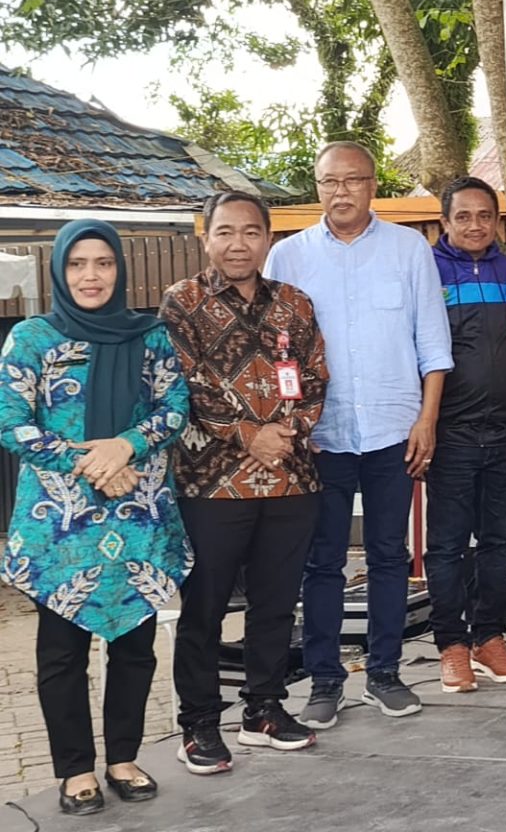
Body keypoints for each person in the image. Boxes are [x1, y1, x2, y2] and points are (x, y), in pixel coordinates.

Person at [0, 220, 192, 816]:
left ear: (119, 269)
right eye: (78, 263)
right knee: (62, 652)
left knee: (135, 645)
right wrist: (95, 464)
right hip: (60, 524)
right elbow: (11, 423)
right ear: (60, 270)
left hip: (136, 517)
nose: (91, 275)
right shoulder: (31, 339)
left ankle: (123, 759)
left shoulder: (150, 336)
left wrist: (126, 445)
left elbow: (175, 407)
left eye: (103, 263)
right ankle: (75, 769)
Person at [265, 141, 454, 727]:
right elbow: (272, 353)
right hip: (320, 435)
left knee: (389, 555)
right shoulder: (287, 257)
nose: (340, 191)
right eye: (329, 181)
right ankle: (325, 681)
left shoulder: (408, 250)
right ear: (316, 187)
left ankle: (384, 673)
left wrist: (427, 420)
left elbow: (433, 345)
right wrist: (292, 424)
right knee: (322, 561)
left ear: (373, 185)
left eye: (352, 180)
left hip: (395, 430)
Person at [160, 192, 328, 775]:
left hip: (291, 477)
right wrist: (249, 434)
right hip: (212, 484)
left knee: (276, 604)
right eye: (226, 232)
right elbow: (184, 385)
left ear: (268, 238)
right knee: (205, 607)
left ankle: (264, 709)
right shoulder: (182, 303)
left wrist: (289, 430)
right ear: (205, 236)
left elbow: (315, 377)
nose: (239, 244)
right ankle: (200, 723)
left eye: (251, 232)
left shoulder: (294, 304)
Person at [426, 175, 506, 693]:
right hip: (452, 432)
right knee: (446, 545)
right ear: (445, 221)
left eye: (484, 216)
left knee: (498, 541)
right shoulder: (426, 271)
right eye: (462, 216)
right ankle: (452, 645)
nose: (474, 225)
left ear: (497, 222)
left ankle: (489, 638)